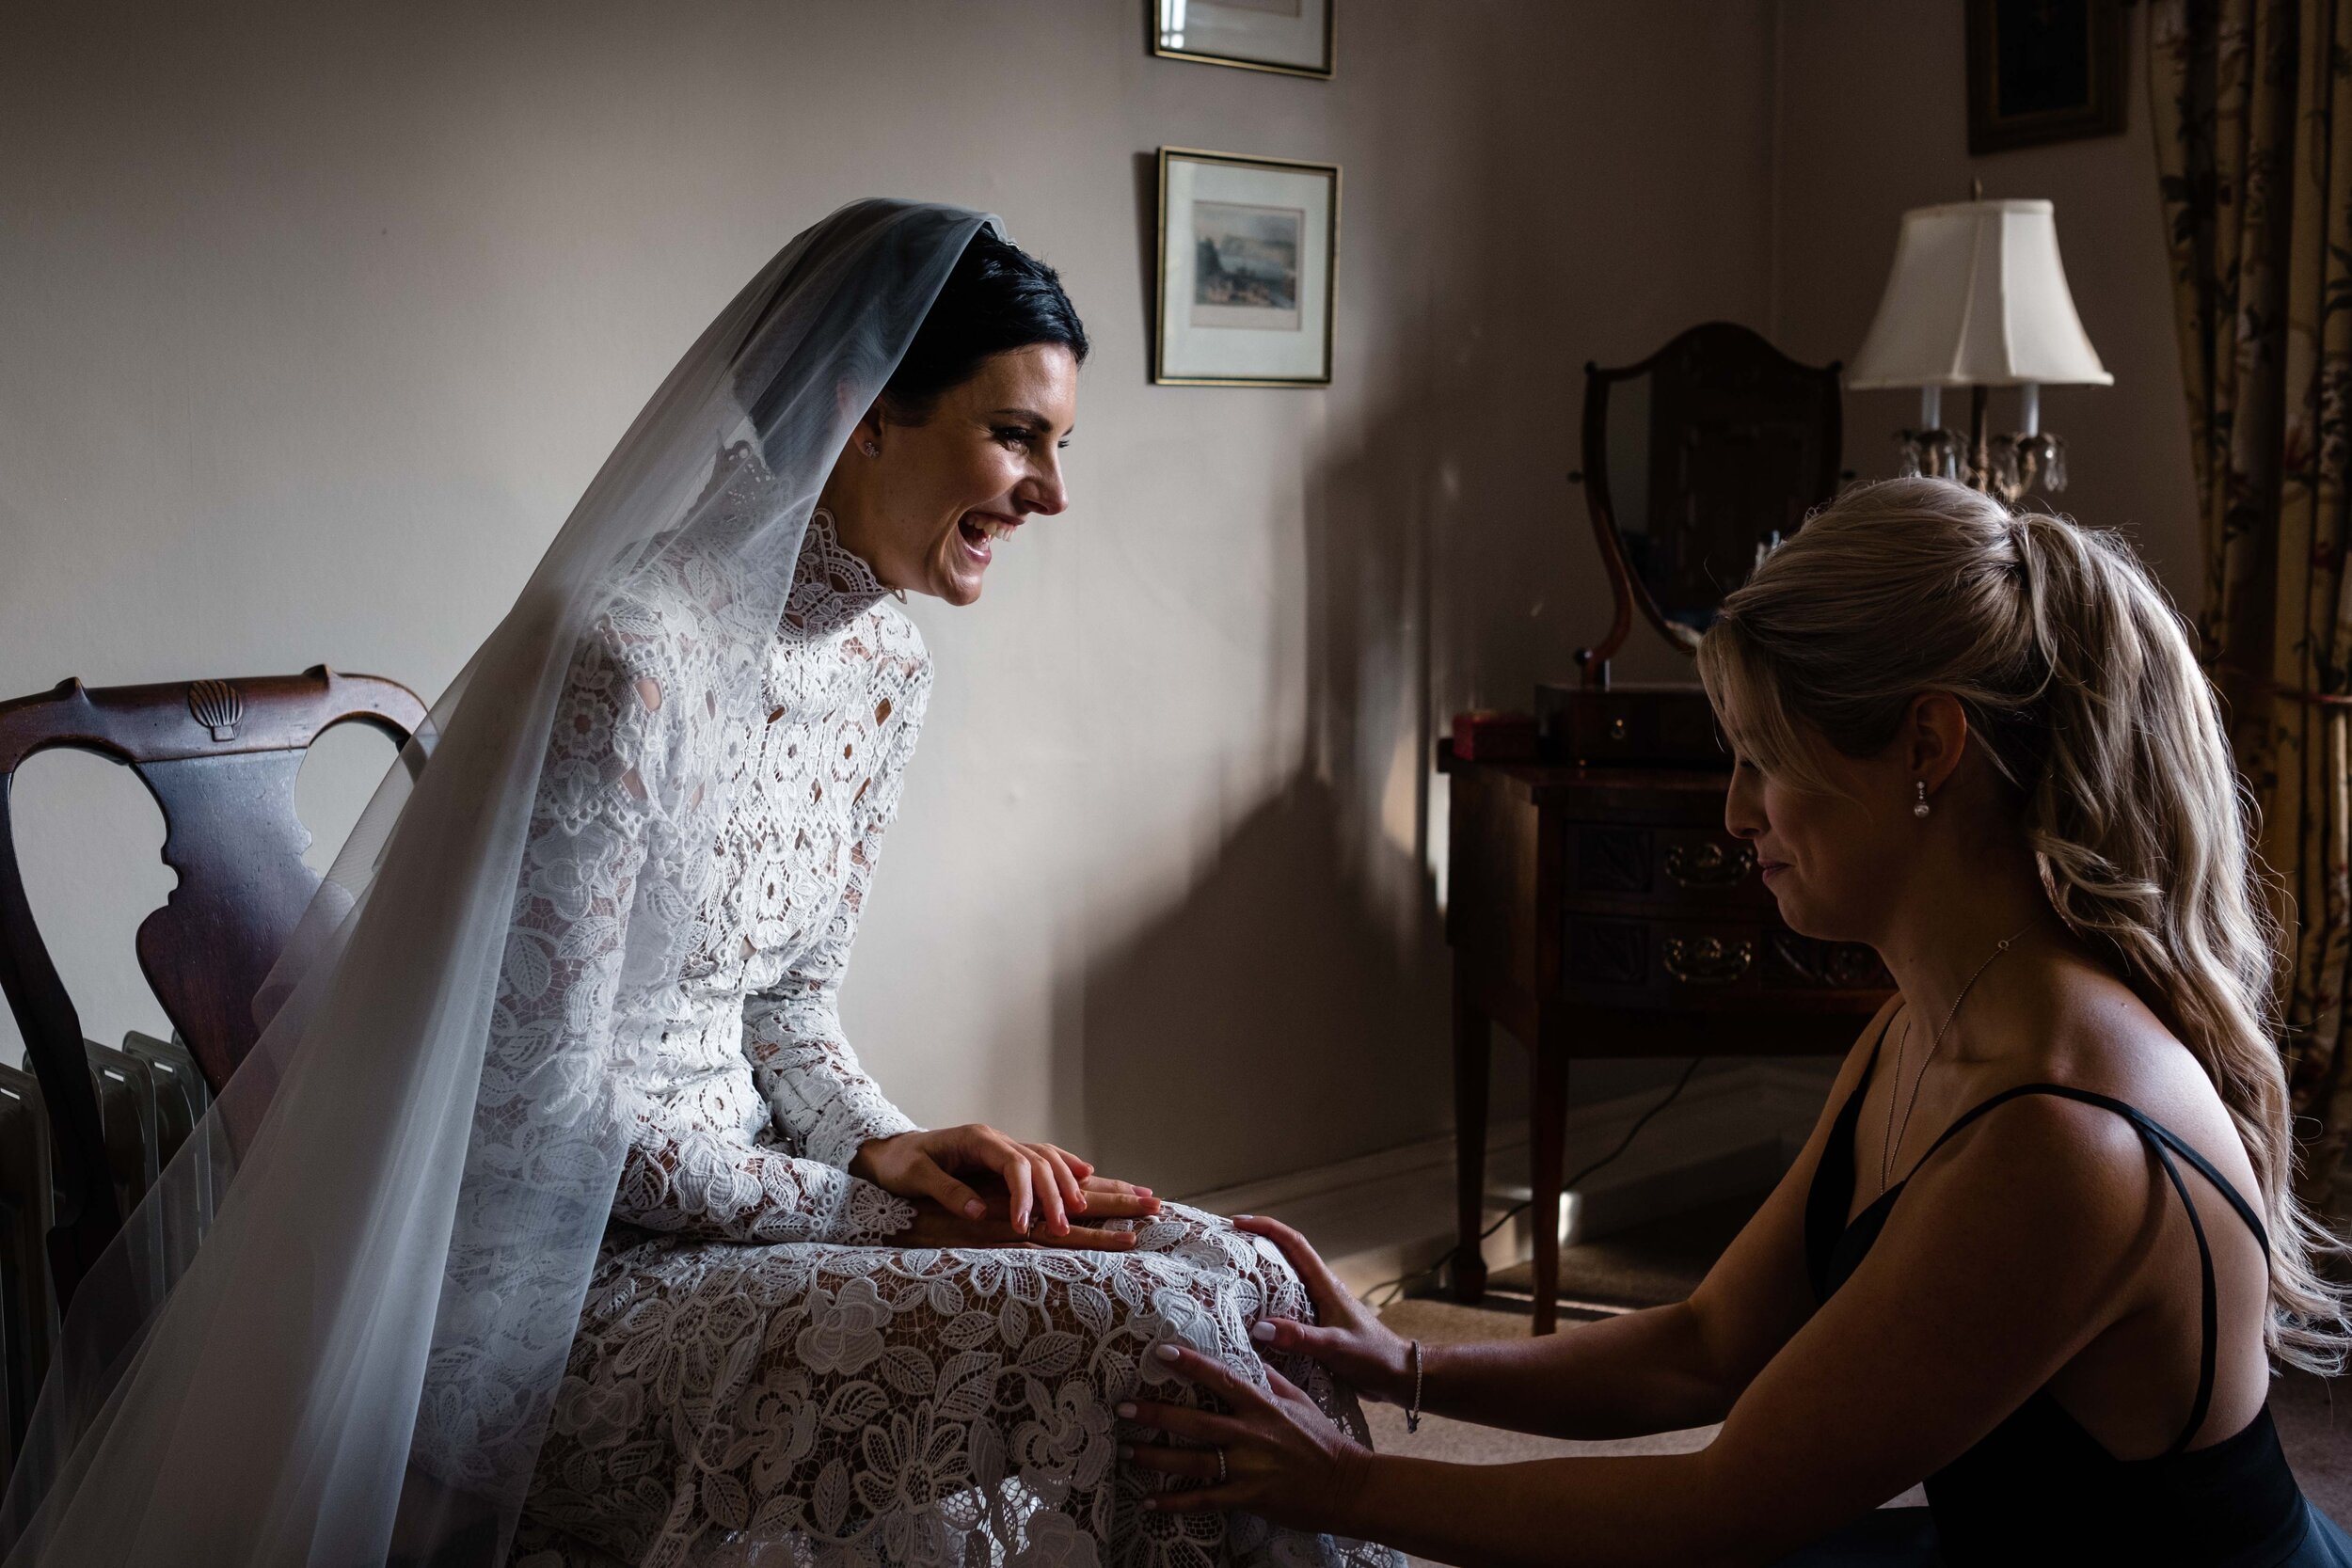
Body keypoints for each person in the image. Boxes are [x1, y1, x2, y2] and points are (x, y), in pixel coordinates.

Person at [0, 202, 1393, 1568]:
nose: (1052, 492)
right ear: (864, 408)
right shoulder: (627, 658)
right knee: (1160, 1340)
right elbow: (550, 1113)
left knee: (1246, 1281)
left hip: (760, 1203)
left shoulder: (885, 667)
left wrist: (894, 1147)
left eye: (1060, 444)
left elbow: (792, 1006)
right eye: (1015, 434)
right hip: (557, 1299)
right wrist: (875, 1212)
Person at [1123, 478, 2352, 1565]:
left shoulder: (2060, 1137)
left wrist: (1350, 1489)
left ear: (1927, 744)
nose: (1732, 812)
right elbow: (1708, 1344)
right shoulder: (1930, 1021)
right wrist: (1409, 1365)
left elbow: (1724, 1508)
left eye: (1761, 758)